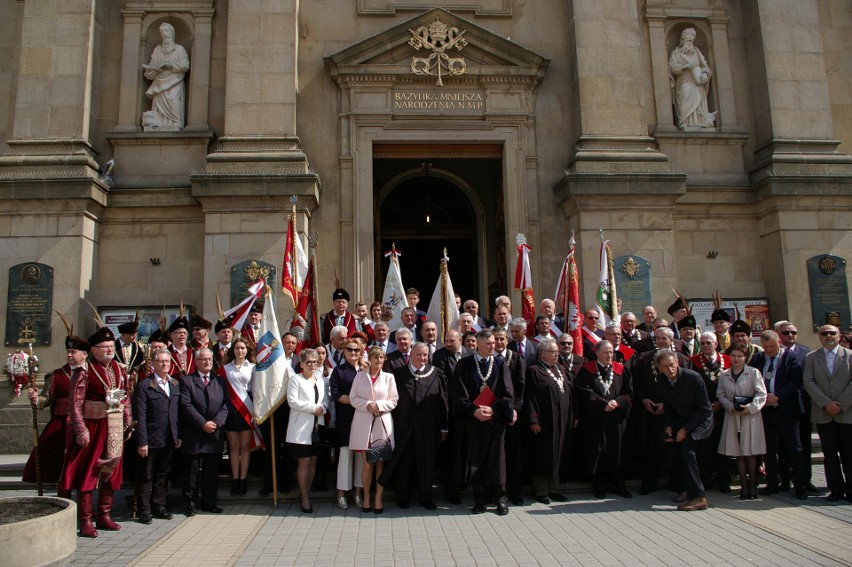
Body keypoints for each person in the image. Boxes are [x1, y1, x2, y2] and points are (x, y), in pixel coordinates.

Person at [62, 325, 131, 538]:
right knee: (88, 472)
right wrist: (80, 429)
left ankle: (104, 514)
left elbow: (126, 396)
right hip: (93, 425)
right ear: (93, 349)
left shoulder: (120, 368)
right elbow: (75, 403)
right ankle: (85, 519)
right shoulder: (85, 370)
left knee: (111, 470)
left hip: (114, 426)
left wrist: (128, 420)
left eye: (111, 346)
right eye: (104, 347)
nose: (109, 350)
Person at [452, 329, 515, 515]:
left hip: (495, 423)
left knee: (498, 461)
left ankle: (500, 498)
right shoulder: (464, 365)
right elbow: (458, 393)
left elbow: (508, 393)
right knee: (476, 459)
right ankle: (480, 498)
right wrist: (473, 411)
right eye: (488, 343)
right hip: (474, 422)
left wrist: (494, 410)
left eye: (494, 343)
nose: (492, 346)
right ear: (478, 344)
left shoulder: (501, 364)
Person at [379, 343, 447, 510]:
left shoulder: (436, 374)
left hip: (428, 426)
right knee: (404, 461)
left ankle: (426, 495)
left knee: (427, 460)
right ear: (411, 355)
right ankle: (403, 495)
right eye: (419, 355)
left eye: (425, 355)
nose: (422, 358)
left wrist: (443, 426)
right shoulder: (398, 373)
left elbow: (443, 402)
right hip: (404, 425)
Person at [24, 325, 89, 497]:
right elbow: (45, 400)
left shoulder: (91, 374)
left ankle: (87, 506)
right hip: (60, 425)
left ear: (84, 354)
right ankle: (63, 500)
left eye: (73, 352)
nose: (69, 355)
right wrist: (36, 399)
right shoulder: (56, 375)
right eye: (68, 351)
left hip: (85, 424)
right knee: (60, 463)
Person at [750, 330, 808, 499]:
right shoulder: (758, 359)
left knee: (794, 449)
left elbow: (796, 380)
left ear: (780, 343)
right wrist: (763, 397)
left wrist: (778, 395)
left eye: (772, 347)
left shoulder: (791, 357)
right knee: (768, 449)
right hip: (767, 410)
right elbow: (754, 379)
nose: (768, 350)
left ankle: (800, 486)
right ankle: (772, 484)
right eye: (765, 347)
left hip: (787, 409)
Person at [575, 340, 633, 499]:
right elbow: (583, 391)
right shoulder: (587, 370)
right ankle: (599, 485)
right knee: (598, 451)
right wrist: (602, 405)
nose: (609, 355)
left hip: (617, 419)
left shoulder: (620, 370)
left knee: (617, 451)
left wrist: (619, 402)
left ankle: (618, 484)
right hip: (597, 418)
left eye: (611, 352)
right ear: (597, 353)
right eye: (606, 352)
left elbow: (629, 392)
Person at [657, 350, 713, 511]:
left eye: (672, 365)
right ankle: (686, 489)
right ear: (660, 368)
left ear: (678, 363)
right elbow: (668, 405)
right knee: (672, 452)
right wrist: (668, 426)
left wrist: (685, 430)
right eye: (665, 366)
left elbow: (703, 408)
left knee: (687, 450)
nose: (670, 369)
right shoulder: (662, 380)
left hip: (700, 420)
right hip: (681, 420)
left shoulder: (693, 378)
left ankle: (699, 497)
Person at [803, 324, 852, 502]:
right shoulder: (811, 357)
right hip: (823, 413)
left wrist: (841, 404)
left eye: (832, 333)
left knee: (849, 453)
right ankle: (836, 490)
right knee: (829, 454)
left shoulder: (850, 356)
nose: (828, 336)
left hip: (846, 412)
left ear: (839, 336)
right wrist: (825, 403)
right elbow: (808, 381)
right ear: (820, 337)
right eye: (824, 333)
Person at [133, 348, 181, 524]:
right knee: (146, 475)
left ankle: (159, 506)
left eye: (167, 361)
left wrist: (178, 435)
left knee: (163, 473)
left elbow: (177, 414)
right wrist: (142, 441)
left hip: (169, 438)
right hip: (150, 439)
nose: (164, 364)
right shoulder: (145, 386)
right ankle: (144, 510)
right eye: (160, 361)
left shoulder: (175, 384)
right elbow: (140, 416)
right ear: (152, 364)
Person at [179, 349, 229, 516]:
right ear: (196, 362)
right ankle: (190, 504)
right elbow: (186, 405)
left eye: (209, 359)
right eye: (204, 359)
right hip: (194, 432)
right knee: (191, 471)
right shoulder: (187, 381)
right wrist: (203, 423)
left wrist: (215, 423)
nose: (207, 362)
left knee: (211, 471)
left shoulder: (220, 381)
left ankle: (209, 502)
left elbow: (226, 405)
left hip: (214, 433)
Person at [349, 347, 399, 513]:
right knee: (367, 465)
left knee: (379, 464)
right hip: (363, 423)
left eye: (381, 358)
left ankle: (378, 498)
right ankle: (367, 498)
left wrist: (378, 405)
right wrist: (367, 405)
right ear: (369, 359)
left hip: (381, 423)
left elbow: (394, 400)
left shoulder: (389, 377)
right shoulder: (359, 376)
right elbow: (353, 398)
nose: (379, 360)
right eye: (376, 357)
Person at [525, 338, 572, 504]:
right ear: (543, 353)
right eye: (553, 352)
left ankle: (554, 489)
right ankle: (541, 490)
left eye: (557, 352)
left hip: (560, 420)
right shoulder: (534, 370)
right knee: (543, 455)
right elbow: (530, 397)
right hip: (544, 422)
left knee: (557, 454)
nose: (556, 354)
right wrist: (533, 420)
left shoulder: (560, 369)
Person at [717, 344, 767, 500]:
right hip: (733, 416)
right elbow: (721, 394)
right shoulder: (724, 374)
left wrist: (751, 408)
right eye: (733, 356)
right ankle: (743, 487)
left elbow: (761, 393)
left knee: (749, 452)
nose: (736, 359)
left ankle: (752, 485)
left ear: (745, 357)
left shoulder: (753, 373)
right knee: (738, 453)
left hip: (750, 416)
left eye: (739, 356)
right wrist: (729, 407)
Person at [286, 348, 332, 513]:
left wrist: (324, 408)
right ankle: (304, 495)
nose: (312, 365)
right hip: (301, 428)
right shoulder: (295, 380)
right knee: (304, 461)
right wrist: (315, 408)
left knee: (313, 460)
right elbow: (292, 402)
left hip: (316, 427)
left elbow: (326, 399)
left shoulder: (319, 379)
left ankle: (308, 491)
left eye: (315, 361)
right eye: (309, 362)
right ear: (302, 364)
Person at [690, 332, 732, 492]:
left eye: (708, 343)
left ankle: (724, 480)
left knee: (723, 446)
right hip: (702, 411)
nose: (705, 346)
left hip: (724, 410)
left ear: (716, 344)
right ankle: (706, 479)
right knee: (705, 448)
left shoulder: (727, 361)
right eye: (702, 343)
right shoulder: (693, 362)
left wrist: (721, 403)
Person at [329, 338, 365, 509]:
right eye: (349, 349)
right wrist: (357, 401)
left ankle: (358, 493)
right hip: (345, 419)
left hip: (363, 418)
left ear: (361, 351)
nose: (353, 353)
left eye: (356, 350)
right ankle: (341, 494)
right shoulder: (339, 371)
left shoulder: (366, 369)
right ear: (344, 351)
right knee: (345, 454)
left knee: (360, 456)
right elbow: (336, 394)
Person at [222, 337, 257, 496]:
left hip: (247, 409)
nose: (240, 351)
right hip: (231, 410)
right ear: (233, 350)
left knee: (245, 446)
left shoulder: (253, 368)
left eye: (243, 348)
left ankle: (243, 480)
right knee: (233, 447)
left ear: (247, 350)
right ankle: (235, 479)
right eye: (237, 348)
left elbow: (256, 391)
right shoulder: (226, 368)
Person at [143, 22, 190, 130]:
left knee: (173, 99)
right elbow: (153, 64)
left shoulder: (179, 49)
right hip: (159, 81)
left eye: (166, 32)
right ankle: (158, 124)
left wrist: (170, 65)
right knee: (158, 104)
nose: (164, 34)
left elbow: (185, 65)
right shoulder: (157, 50)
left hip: (175, 81)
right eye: (162, 32)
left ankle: (176, 124)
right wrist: (150, 70)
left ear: (172, 34)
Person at [669, 27, 715, 130]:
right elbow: (672, 67)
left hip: (697, 82)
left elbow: (705, 66)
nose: (691, 38)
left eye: (693, 36)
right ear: (683, 37)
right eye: (689, 35)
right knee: (685, 100)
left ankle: (700, 122)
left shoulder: (697, 52)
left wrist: (705, 74)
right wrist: (685, 67)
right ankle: (684, 122)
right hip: (684, 81)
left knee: (699, 103)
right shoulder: (676, 52)